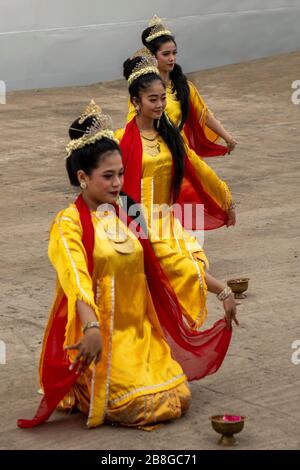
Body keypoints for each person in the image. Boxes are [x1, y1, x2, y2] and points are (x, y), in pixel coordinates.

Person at [18, 102, 238, 430]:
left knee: (177, 397)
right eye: (108, 176)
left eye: (120, 174)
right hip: (101, 340)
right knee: (140, 405)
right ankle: (82, 380)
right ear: (82, 177)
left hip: (142, 337)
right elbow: (75, 279)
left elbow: (169, 261)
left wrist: (222, 290)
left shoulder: (130, 213)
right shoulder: (68, 224)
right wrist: (91, 328)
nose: (118, 183)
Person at [118, 55, 235, 273]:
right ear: (135, 102)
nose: (160, 105)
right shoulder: (121, 141)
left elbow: (199, 169)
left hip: (168, 223)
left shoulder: (172, 138)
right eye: (153, 100)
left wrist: (225, 198)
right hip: (134, 223)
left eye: (163, 98)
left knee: (195, 271)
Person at [127, 15, 237, 158]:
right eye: (166, 54)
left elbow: (204, 115)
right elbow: (132, 123)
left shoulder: (183, 86)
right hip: (155, 154)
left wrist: (228, 138)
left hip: (182, 151)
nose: (171, 58)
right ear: (153, 56)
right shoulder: (144, 90)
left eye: (174, 53)